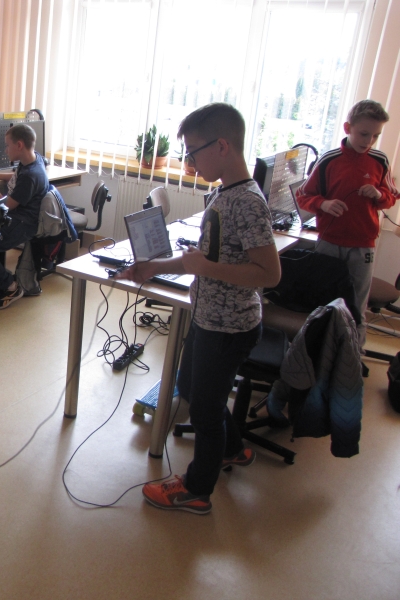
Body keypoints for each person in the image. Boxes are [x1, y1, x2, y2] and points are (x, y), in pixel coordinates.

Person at [120, 103, 281, 515]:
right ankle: (232, 449)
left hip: (229, 327)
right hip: (209, 317)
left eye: (193, 151)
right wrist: (154, 267)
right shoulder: (223, 194)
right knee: (191, 390)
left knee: (206, 410)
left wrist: (205, 268)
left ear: (222, 146)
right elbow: (200, 261)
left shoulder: (246, 202)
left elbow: (269, 273)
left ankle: (196, 489)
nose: (189, 161)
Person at [296, 99, 398, 352]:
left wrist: (378, 194)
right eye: (364, 134)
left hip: (363, 245)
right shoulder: (329, 160)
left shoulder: (380, 160)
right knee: (324, 301)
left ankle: (352, 356)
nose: (369, 141)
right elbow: (303, 195)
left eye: (375, 136)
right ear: (347, 128)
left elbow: (391, 196)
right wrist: (324, 203)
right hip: (329, 242)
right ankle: (316, 354)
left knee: (356, 305)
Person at [0, 123, 49, 309]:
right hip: (14, 217)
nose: (6, 150)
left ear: (19, 145)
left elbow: (3, 207)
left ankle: (9, 285)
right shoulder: (32, 160)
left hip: (21, 223)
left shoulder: (31, 175)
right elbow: (15, 176)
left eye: (8, 145)